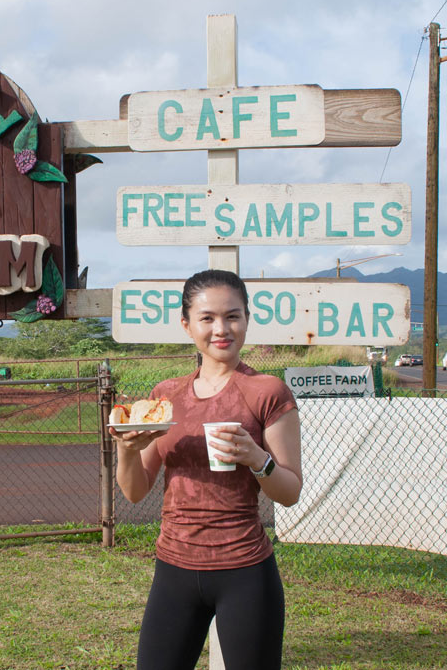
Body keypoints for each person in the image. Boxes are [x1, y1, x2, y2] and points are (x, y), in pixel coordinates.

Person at [110, 269, 302, 670]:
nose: (221, 329)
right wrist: (126, 448)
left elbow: (290, 492)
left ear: (247, 318)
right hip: (174, 569)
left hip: (245, 571)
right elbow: (134, 490)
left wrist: (256, 459)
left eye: (233, 316)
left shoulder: (268, 391)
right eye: (207, 318)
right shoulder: (166, 395)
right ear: (186, 324)